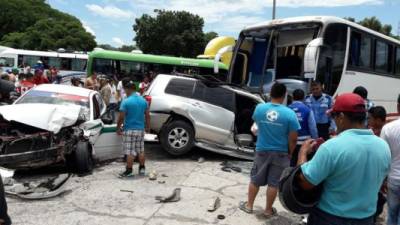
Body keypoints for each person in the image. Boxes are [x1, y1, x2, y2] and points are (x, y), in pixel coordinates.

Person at [297, 93, 391, 225]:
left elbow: (305, 182)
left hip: (329, 217)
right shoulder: (383, 146)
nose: (334, 121)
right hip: (366, 218)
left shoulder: (331, 147)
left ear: (341, 117)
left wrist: (302, 153)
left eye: (334, 116)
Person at [239, 82, 300, 218]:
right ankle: (267, 210)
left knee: (255, 179)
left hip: (262, 150)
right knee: (274, 183)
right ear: (284, 95)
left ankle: (249, 206)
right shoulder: (290, 114)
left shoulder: (260, 108)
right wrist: (290, 152)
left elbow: (257, 125)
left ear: (270, 93)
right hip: (281, 152)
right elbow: (294, 139)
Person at [116, 78, 150, 178]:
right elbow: (147, 115)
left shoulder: (126, 101)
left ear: (127, 89)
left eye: (125, 90)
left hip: (129, 129)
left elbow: (121, 117)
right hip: (140, 130)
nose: (124, 92)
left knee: (130, 152)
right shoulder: (143, 101)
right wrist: (148, 127)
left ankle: (129, 171)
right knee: (141, 150)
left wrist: (118, 128)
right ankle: (142, 169)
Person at [381, 94, 400, 225]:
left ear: (398, 107)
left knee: (392, 214)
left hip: (393, 179)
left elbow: (383, 157)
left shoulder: (388, 128)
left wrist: (383, 180)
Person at [288, 89, 318, 166]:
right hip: (305, 143)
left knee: (290, 165)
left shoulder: (287, 109)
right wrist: (315, 140)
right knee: (303, 165)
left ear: (292, 97)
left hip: (290, 142)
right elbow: (313, 127)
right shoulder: (307, 109)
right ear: (303, 98)